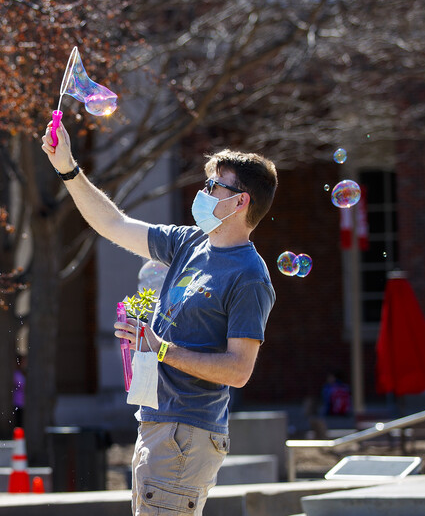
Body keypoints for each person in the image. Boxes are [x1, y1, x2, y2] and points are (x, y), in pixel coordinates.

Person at [41, 121, 277, 515]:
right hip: (158, 423)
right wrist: (68, 168)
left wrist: (161, 348)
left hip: (187, 434)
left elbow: (238, 371)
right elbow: (113, 224)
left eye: (214, 187)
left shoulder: (249, 276)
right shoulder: (190, 243)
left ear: (241, 202)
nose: (203, 193)